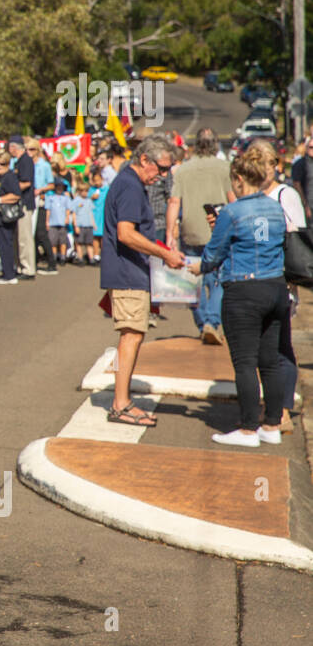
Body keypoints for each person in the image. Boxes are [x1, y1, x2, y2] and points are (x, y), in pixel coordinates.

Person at [188, 149, 287, 447]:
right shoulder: (275, 208)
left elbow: (213, 255)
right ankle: (272, 424)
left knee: (244, 362)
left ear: (240, 179)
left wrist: (197, 266)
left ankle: (247, 428)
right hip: (275, 285)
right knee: (270, 362)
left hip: (243, 290)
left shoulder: (232, 212)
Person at [101, 134, 187, 427]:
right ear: (144, 160)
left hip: (130, 270)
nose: (163, 176)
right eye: (161, 169)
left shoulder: (130, 182)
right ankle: (121, 403)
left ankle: (122, 401)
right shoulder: (130, 185)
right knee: (131, 335)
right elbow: (126, 233)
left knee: (133, 334)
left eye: (168, 170)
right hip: (127, 272)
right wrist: (163, 253)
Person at [249, 139, 303, 435]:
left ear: (276, 166)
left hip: (281, 280)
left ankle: (282, 410)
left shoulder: (286, 194)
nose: (261, 172)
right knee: (263, 348)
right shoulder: (253, 195)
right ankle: (272, 405)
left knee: (280, 347)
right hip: (258, 279)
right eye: (255, 166)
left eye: (266, 166)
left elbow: (296, 236)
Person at [167, 129, 232, 346]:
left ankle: (202, 322)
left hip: (191, 230)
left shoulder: (183, 170)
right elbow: (232, 200)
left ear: (196, 144)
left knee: (193, 280)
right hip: (218, 231)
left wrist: (170, 233)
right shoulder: (224, 168)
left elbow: (174, 202)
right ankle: (212, 323)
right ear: (215, 144)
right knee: (218, 280)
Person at [0, 151, 21, 283]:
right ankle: (4, 271)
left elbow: (16, 195)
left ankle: (9, 274)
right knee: (0, 245)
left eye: (1, 164)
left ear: (7, 164)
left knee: (5, 245)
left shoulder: (10, 177)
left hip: (4, 218)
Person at [8, 135, 37, 278]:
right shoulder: (18, 161)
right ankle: (21, 266)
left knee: (25, 238)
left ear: (14, 147)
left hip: (24, 203)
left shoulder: (26, 160)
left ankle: (28, 269)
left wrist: (10, 188)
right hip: (19, 204)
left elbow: (26, 182)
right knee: (19, 238)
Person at [28, 138, 58, 273]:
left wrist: (40, 190)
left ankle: (52, 263)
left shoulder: (44, 165)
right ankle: (33, 262)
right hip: (29, 201)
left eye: (32, 149)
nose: (29, 152)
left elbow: (51, 184)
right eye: (27, 149)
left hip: (40, 201)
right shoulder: (26, 164)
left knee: (41, 233)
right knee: (31, 234)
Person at [44, 178, 71, 266]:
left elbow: (68, 209)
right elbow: (48, 210)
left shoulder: (65, 198)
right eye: (58, 186)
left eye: (61, 187)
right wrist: (47, 221)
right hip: (52, 222)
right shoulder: (50, 197)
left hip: (62, 223)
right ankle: (54, 257)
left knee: (63, 241)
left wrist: (67, 218)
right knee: (53, 241)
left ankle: (63, 256)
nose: (60, 188)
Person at [70, 182, 97, 265]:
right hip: (80, 225)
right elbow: (74, 214)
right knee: (79, 243)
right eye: (83, 191)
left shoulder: (89, 201)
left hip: (88, 225)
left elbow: (91, 213)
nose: (85, 193)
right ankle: (80, 258)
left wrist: (93, 224)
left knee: (89, 243)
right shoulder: (76, 201)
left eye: (86, 191)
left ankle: (91, 258)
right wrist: (75, 225)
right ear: (79, 191)